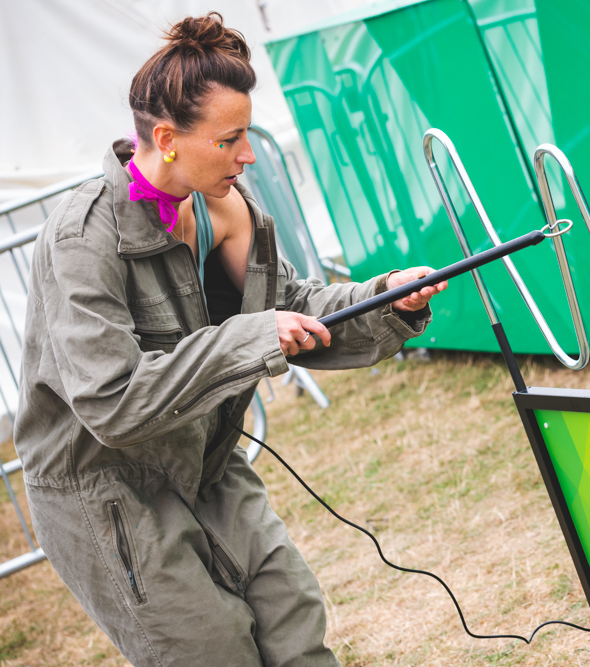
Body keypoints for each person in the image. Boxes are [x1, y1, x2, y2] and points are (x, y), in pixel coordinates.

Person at [13, 13, 446, 667]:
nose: (248, 154)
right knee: (211, 649)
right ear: (166, 138)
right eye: (231, 139)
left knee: (294, 618)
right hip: (105, 488)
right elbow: (112, 401)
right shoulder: (82, 237)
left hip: (206, 458)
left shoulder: (229, 207)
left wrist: (389, 295)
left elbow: (294, 309)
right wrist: (248, 337)